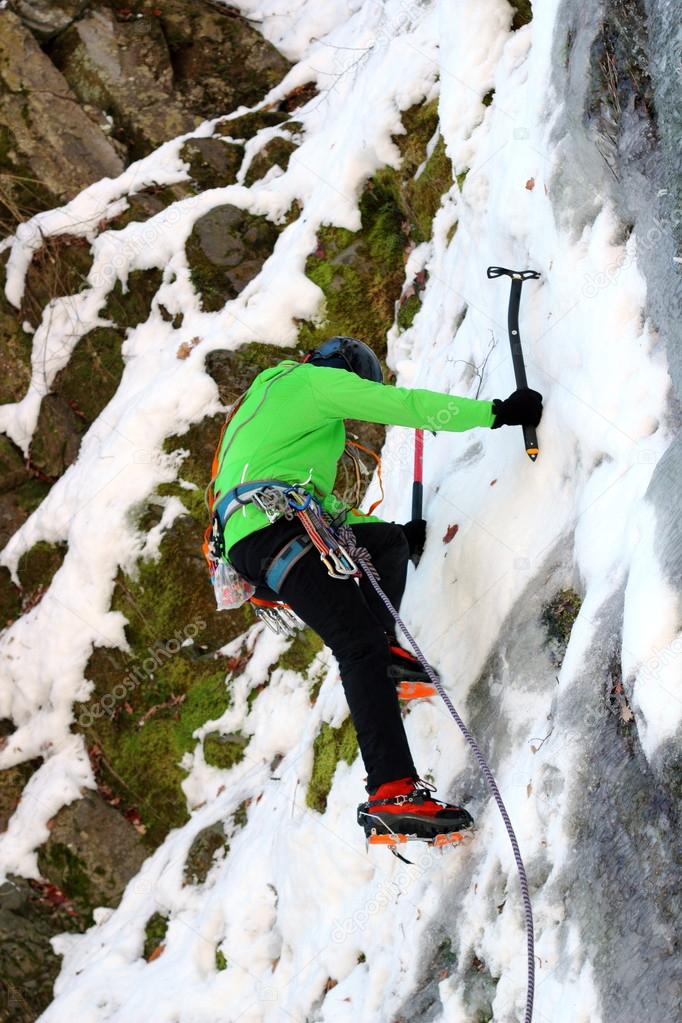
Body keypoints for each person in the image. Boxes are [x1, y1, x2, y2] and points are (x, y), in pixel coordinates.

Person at [212, 336, 542, 843]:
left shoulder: (264, 402)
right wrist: (496, 412)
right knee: (355, 643)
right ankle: (391, 792)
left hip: (263, 533)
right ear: (340, 370)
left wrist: (396, 537)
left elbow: (320, 506)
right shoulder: (313, 383)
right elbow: (402, 406)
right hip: (273, 529)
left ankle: (385, 657)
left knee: (385, 544)